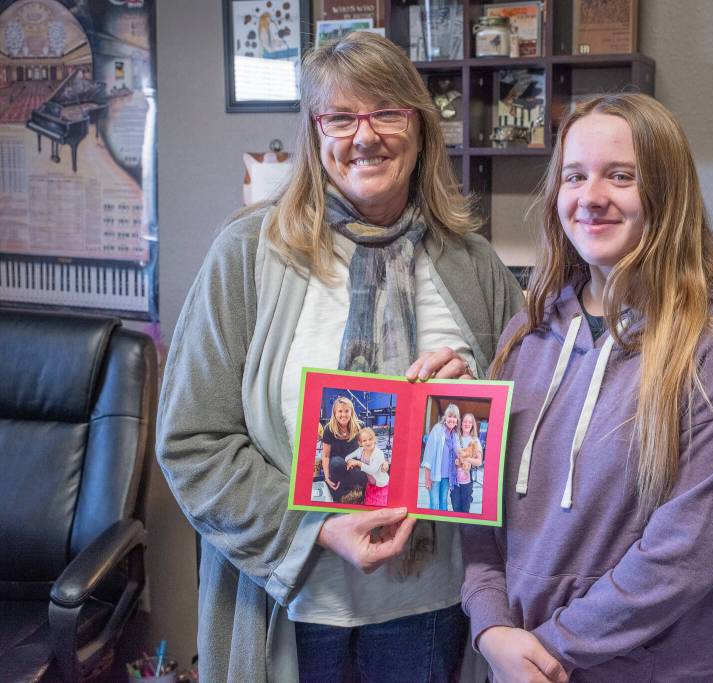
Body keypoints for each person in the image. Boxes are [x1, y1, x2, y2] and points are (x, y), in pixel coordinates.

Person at [156, 32, 524, 683]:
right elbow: (193, 441)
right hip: (294, 613)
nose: (365, 135)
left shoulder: (476, 266)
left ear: (419, 125)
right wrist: (318, 527)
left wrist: (479, 398)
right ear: (315, 132)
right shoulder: (247, 255)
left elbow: (523, 448)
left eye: (386, 110)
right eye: (341, 116)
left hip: (435, 614)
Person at [461, 93, 713, 682]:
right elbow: (479, 518)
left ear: (666, 192)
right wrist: (490, 629)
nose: (592, 197)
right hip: (513, 663)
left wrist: (548, 650)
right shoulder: (523, 337)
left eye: (621, 176)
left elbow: (681, 560)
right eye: (574, 176)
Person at [321, 396, 366, 503]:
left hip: (353, 462)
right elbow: (326, 456)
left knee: (361, 472)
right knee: (338, 463)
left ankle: (353, 493)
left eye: (346, 411)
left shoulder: (360, 425)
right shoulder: (329, 429)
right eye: (340, 411)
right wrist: (327, 477)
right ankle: (342, 493)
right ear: (335, 413)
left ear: (351, 412)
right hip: (336, 463)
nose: (343, 414)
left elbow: (365, 450)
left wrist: (361, 464)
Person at [420, 403, 460, 510]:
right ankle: (433, 525)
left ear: (457, 420)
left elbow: (459, 454)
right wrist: (427, 478)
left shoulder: (455, 436)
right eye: (450, 416)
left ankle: (442, 525)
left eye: (454, 417)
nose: (452, 419)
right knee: (434, 504)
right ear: (445, 417)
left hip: (447, 477)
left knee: (443, 503)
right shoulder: (437, 430)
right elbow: (429, 454)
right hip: (434, 476)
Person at [346, 426, 390, 506]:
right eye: (364, 440)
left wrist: (358, 463)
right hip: (370, 484)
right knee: (369, 505)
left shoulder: (378, 453)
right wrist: (350, 462)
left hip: (381, 484)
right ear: (360, 443)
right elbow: (347, 457)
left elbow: (372, 470)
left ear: (374, 439)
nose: (368, 442)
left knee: (380, 506)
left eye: (370, 439)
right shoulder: (361, 450)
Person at [451, 413, 483, 513]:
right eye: (465, 421)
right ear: (461, 424)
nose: (467, 424)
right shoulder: (455, 437)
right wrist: (455, 461)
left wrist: (466, 459)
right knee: (455, 505)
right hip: (455, 479)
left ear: (472, 425)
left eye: (470, 422)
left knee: (465, 507)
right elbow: (450, 456)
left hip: (468, 480)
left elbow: (479, 462)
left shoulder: (475, 440)